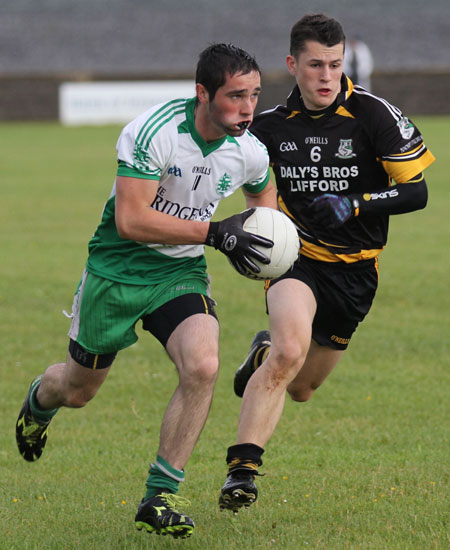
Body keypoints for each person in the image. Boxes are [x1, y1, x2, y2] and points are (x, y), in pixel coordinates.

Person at [15, 43, 277, 539]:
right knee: (77, 389)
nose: (247, 108)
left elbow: (263, 197)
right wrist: (218, 232)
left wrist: (266, 239)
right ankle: (39, 401)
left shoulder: (248, 149)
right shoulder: (153, 132)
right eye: (236, 95)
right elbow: (131, 219)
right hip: (116, 269)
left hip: (178, 274)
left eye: (255, 95)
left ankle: (160, 494)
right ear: (202, 93)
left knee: (203, 365)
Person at [218, 14, 435, 513]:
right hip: (297, 260)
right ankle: (242, 472)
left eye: (334, 64)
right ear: (293, 64)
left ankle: (260, 356)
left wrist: (355, 203)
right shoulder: (269, 127)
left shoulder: (374, 115)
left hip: (357, 273)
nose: (325, 76)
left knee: (303, 389)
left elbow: (416, 191)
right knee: (290, 350)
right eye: (315, 64)